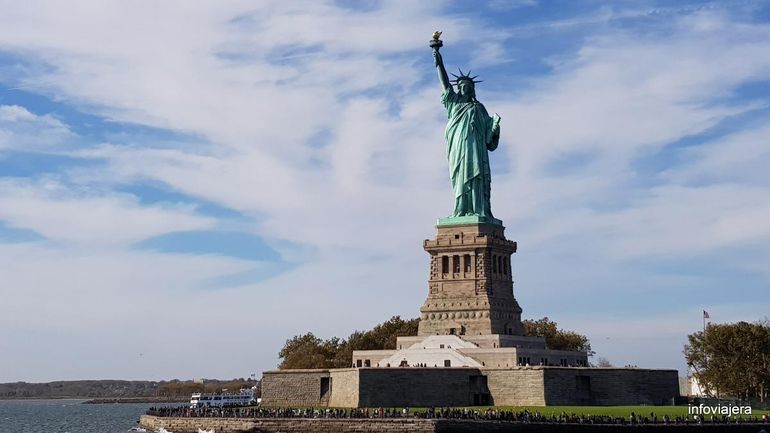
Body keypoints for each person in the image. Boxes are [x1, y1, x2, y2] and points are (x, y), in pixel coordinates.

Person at [432, 41, 501, 219]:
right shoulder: (453, 103)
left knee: (477, 178)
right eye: (461, 86)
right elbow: (445, 83)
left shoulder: (479, 108)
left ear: (472, 89)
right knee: (460, 178)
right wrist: (438, 58)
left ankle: (479, 210)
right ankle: (461, 209)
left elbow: (489, 140)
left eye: (467, 86)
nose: (464, 88)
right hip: (458, 147)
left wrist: (494, 127)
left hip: (476, 149)